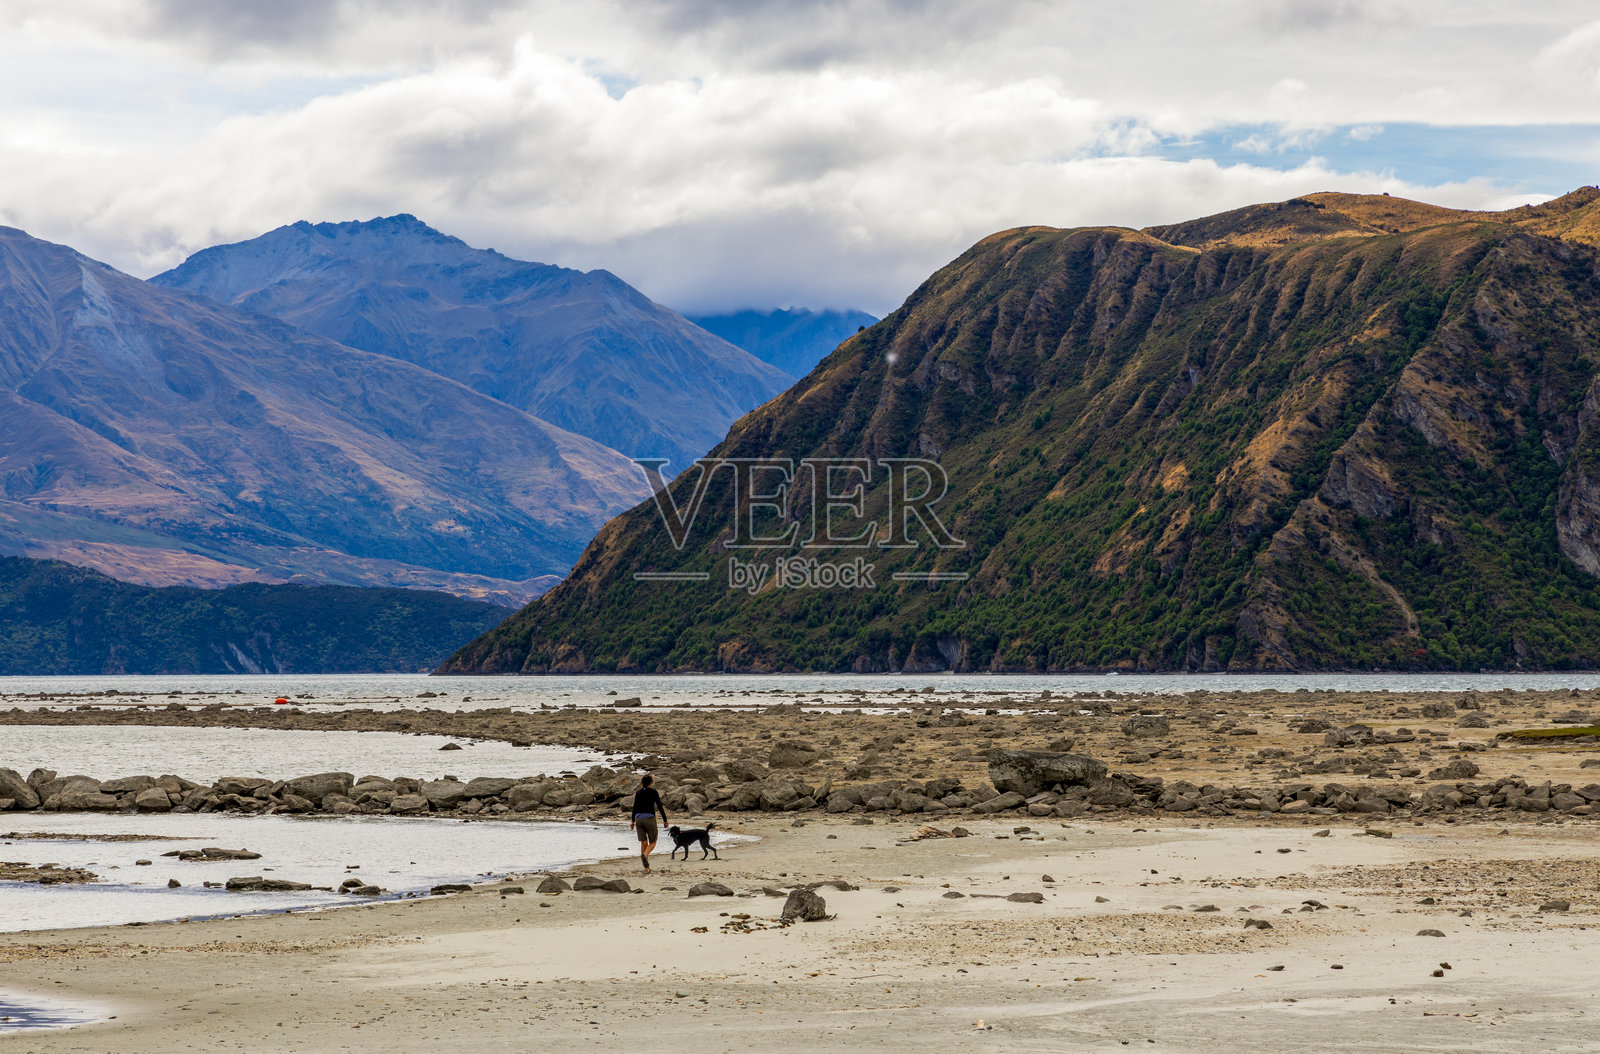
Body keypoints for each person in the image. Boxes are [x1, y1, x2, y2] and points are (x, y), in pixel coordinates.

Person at [630, 774, 668, 872]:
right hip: (649, 818)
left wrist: (632, 821)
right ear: (651, 782)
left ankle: (646, 868)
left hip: (638, 818)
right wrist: (665, 820)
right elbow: (659, 805)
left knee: (643, 842)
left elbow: (635, 807)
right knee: (653, 842)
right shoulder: (654, 792)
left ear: (642, 783)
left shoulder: (638, 792)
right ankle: (645, 854)